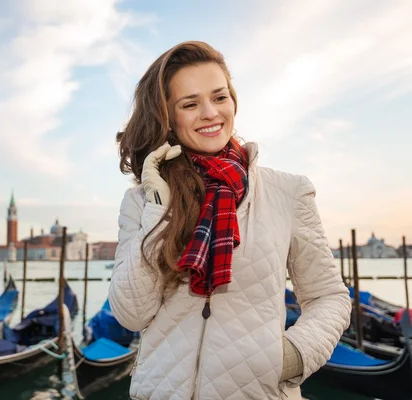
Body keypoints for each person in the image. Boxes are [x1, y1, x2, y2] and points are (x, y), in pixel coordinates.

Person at [108, 41, 351, 400]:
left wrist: (290, 358)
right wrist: (158, 206)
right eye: (190, 104)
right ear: (167, 118)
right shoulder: (142, 201)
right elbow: (131, 314)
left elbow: (328, 297)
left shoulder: (288, 191)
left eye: (219, 97)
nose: (210, 113)